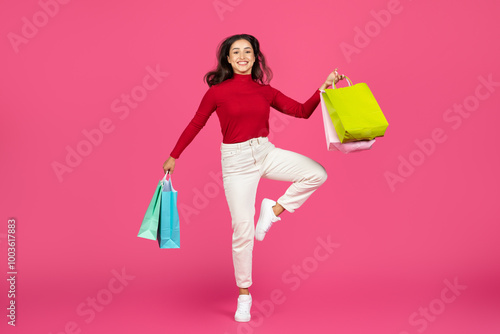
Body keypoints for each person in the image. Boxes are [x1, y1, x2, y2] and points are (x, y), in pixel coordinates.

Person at [162, 33, 345, 322]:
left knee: (316, 173)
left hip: (265, 151)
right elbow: (196, 123)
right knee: (242, 230)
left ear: (255, 57)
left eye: (248, 51)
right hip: (236, 163)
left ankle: (273, 211)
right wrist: (175, 155)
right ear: (228, 58)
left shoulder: (266, 91)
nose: (242, 56)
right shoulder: (216, 93)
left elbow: (301, 111)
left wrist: (323, 89)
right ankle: (244, 296)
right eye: (236, 52)